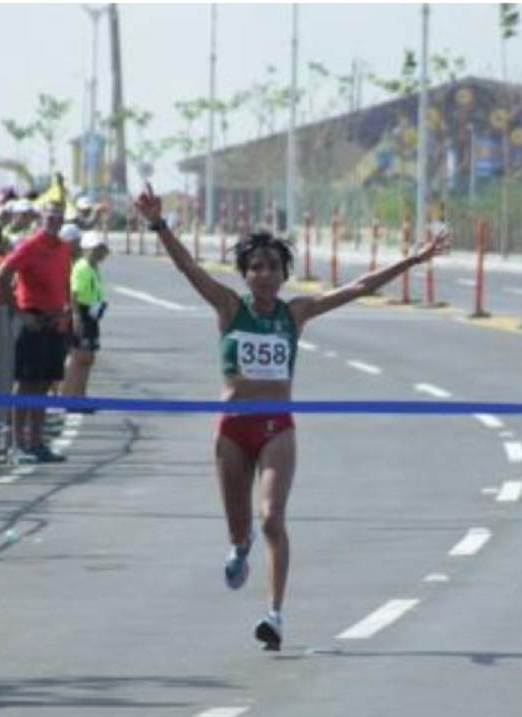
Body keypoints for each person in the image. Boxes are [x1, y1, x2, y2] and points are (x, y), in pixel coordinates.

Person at [134, 182, 449, 651]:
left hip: (277, 428)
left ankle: (274, 615)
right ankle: (239, 550)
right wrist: (159, 224)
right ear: (244, 273)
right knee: (242, 529)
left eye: (273, 267)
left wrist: (414, 260)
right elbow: (187, 267)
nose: (264, 275)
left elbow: (359, 287)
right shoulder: (228, 306)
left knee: (272, 520)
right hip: (232, 431)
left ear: (284, 274)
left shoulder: (295, 313)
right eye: (256, 267)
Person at [0, 202, 73, 464]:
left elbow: (65, 281)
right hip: (33, 319)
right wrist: (19, 312)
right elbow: (1, 276)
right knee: (26, 383)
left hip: (54, 322)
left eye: (58, 217)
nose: (54, 221)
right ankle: (18, 444)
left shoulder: (63, 248)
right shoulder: (29, 245)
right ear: (41, 219)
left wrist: (67, 312)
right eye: (50, 216)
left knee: (45, 383)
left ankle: (37, 442)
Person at [62, 230, 111, 402]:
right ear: (88, 249)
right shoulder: (82, 267)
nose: (102, 253)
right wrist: (76, 317)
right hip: (82, 313)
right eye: (98, 249)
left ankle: (80, 395)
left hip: (92, 314)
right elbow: (74, 293)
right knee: (79, 357)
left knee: (88, 358)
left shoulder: (93, 267)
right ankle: (70, 397)